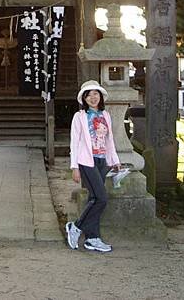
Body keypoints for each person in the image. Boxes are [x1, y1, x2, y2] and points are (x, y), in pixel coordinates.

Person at [66, 80, 121, 252]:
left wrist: (114, 161)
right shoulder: (79, 117)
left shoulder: (106, 115)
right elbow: (74, 142)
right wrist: (74, 166)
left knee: (94, 199)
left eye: (95, 94)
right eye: (88, 95)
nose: (92, 97)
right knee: (101, 198)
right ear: (84, 98)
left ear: (100, 96)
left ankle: (92, 238)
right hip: (86, 161)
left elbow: (109, 140)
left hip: (101, 160)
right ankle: (76, 227)